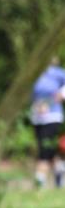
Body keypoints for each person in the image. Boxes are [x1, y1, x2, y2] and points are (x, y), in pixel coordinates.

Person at [30, 60, 65, 188]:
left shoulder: (57, 73)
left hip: (52, 117)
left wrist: (61, 95)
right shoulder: (34, 73)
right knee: (47, 149)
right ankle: (60, 170)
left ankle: (40, 182)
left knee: (44, 150)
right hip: (37, 117)